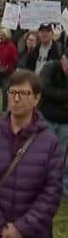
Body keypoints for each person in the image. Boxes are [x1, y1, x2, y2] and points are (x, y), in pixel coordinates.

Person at [0, 70, 63, 238]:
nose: (16, 98)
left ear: (36, 99)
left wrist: (21, 228)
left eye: (24, 93)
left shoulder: (50, 142)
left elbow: (52, 192)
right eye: (12, 92)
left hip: (34, 235)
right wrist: (0, 226)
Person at [39, 48, 68, 196]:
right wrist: (64, 97)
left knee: (63, 156)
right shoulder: (50, 68)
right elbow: (44, 89)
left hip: (65, 121)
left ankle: (63, 186)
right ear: (63, 60)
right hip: (47, 118)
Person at [0, 28, 18, 114]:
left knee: (5, 91)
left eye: (2, 34)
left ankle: (4, 108)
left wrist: (8, 67)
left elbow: (14, 60)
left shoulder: (11, 46)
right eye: (0, 34)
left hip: (6, 72)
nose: (1, 36)